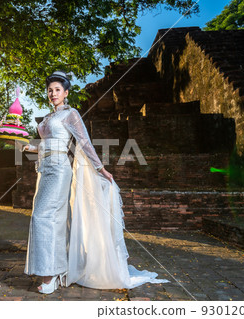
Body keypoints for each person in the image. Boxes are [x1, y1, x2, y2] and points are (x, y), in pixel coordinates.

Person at [22, 70, 169, 294]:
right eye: (50, 90)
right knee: (47, 217)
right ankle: (56, 271)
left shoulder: (70, 114)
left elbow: (84, 143)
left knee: (45, 217)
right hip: (45, 170)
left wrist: (100, 168)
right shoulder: (49, 118)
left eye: (57, 90)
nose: (53, 93)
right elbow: (49, 143)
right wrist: (31, 147)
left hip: (60, 170)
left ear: (66, 92)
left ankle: (50, 275)